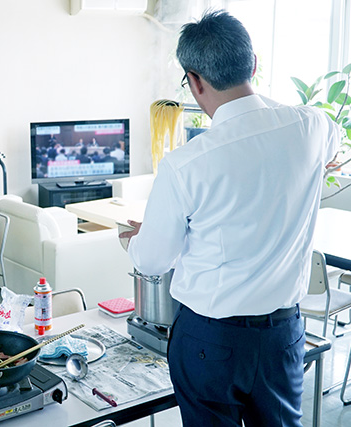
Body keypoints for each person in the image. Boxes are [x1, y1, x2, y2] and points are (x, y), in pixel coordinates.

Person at [121, 10, 338, 426]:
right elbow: (331, 148)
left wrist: (137, 240)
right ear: (253, 65)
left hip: (210, 340)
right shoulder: (312, 127)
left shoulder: (185, 164)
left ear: (195, 81)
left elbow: (151, 262)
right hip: (283, 335)